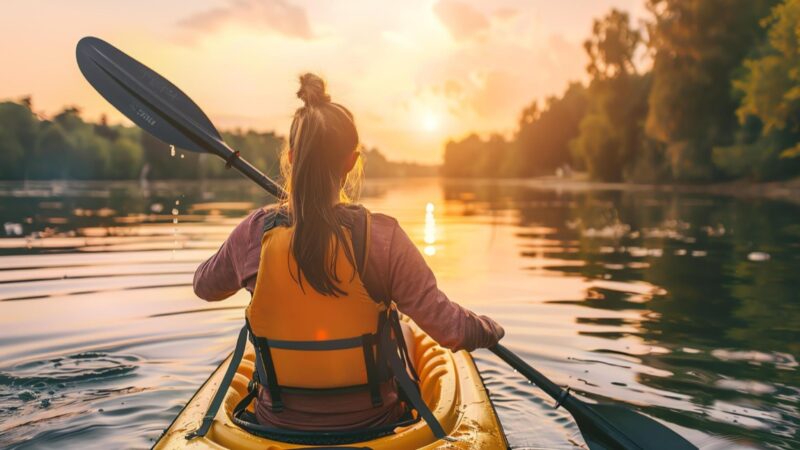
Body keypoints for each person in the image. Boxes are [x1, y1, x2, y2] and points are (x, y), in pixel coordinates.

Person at [193, 73, 504, 433]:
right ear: (351, 161)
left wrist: (243, 245)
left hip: (274, 426)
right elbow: (452, 330)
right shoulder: (383, 237)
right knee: (402, 330)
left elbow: (204, 286)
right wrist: (488, 329)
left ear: (292, 159)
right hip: (374, 424)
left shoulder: (253, 233)